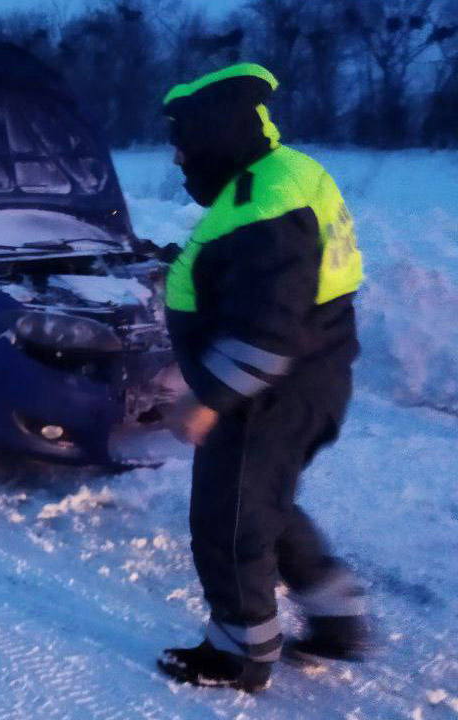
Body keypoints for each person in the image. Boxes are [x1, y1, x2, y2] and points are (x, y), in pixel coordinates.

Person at [155, 63, 372, 692]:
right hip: (303, 381)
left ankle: (239, 655)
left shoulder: (265, 201)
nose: (176, 156)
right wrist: (179, 275)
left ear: (214, 134)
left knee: (229, 521)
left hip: (266, 394)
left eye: (183, 141)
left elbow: (268, 331)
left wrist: (208, 397)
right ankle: (338, 616)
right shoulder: (281, 175)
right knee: (262, 505)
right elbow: (253, 281)